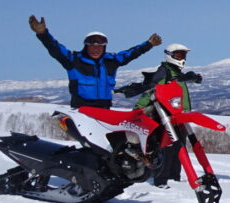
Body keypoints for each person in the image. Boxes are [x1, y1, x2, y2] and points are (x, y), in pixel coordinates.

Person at [28, 15, 161, 109]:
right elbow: (55, 48)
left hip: (104, 109)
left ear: (104, 47)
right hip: (81, 110)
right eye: (92, 45)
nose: (95, 49)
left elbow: (131, 53)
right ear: (86, 46)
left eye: (100, 46)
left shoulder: (112, 60)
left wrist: (148, 44)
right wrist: (43, 33)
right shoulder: (73, 60)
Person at [135, 43, 203, 188]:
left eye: (183, 55)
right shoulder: (164, 71)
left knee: (179, 147)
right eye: (178, 55)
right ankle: (161, 179)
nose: (182, 58)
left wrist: (193, 78)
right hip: (165, 115)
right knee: (166, 148)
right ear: (169, 55)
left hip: (178, 115)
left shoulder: (176, 71)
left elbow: (181, 81)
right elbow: (151, 88)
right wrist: (139, 107)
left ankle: (174, 177)